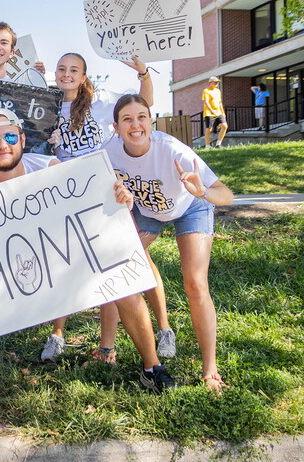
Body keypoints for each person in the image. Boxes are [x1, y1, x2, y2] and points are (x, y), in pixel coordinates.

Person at [0, 108, 177, 417]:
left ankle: (152, 367)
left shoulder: (50, 166)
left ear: (22, 139)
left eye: (10, 136)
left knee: (125, 285)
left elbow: (95, 204)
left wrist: (121, 197)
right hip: (18, 272)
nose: (3, 144)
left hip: (67, 259)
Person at [42, 51, 173, 365]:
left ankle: (160, 329)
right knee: (68, 260)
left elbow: (145, 102)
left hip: (106, 190)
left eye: (74, 70)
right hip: (68, 192)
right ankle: (58, 334)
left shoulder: (101, 101)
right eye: (62, 69)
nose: (67, 74)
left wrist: (143, 73)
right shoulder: (47, 105)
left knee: (129, 260)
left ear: (84, 76)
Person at [106, 94, 234, 391]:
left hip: (191, 207)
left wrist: (202, 192)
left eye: (141, 117)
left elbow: (226, 195)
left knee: (195, 283)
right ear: (116, 126)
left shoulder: (174, 150)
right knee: (117, 268)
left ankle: (210, 370)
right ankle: (110, 350)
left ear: (150, 121)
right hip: (148, 211)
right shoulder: (108, 153)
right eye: (127, 119)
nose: (135, 124)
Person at [202, 76, 227, 148]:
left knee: (224, 126)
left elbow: (219, 102)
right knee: (209, 129)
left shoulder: (218, 91)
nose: (216, 83)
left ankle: (218, 144)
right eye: (215, 82)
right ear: (210, 82)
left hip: (219, 112)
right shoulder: (206, 91)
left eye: (217, 82)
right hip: (209, 113)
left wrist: (223, 112)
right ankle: (207, 146)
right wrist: (212, 111)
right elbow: (206, 102)